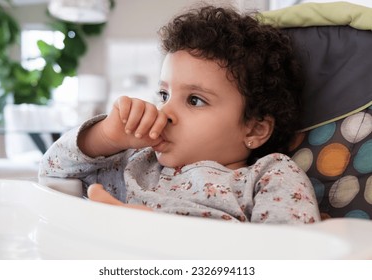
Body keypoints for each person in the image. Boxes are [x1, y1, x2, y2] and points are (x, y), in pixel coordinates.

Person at [39, 5, 320, 224]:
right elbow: (53, 171)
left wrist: (155, 232)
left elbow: (289, 256)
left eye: (195, 100)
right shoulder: (137, 162)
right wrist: (105, 137)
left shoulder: (267, 176)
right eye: (163, 95)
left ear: (254, 130)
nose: (165, 112)